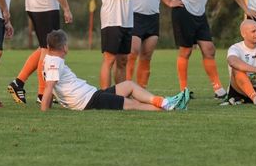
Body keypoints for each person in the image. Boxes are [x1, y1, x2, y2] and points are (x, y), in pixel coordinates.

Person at [41, 30, 189, 112]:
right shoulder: (55, 62)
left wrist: (50, 106)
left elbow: (52, 87)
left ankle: (164, 102)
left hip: (93, 95)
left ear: (48, 47)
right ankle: (170, 107)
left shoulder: (49, 60)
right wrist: (44, 111)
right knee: (133, 104)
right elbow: (49, 87)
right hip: (89, 101)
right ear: (64, 47)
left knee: (129, 85)